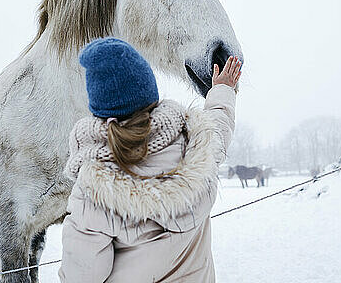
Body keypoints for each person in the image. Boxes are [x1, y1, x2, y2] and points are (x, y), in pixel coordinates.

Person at [59, 37, 241, 282]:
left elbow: (81, 276)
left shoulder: (94, 190)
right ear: (149, 91)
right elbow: (218, 123)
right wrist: (223, 89)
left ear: (100, 109)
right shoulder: (198, 144)